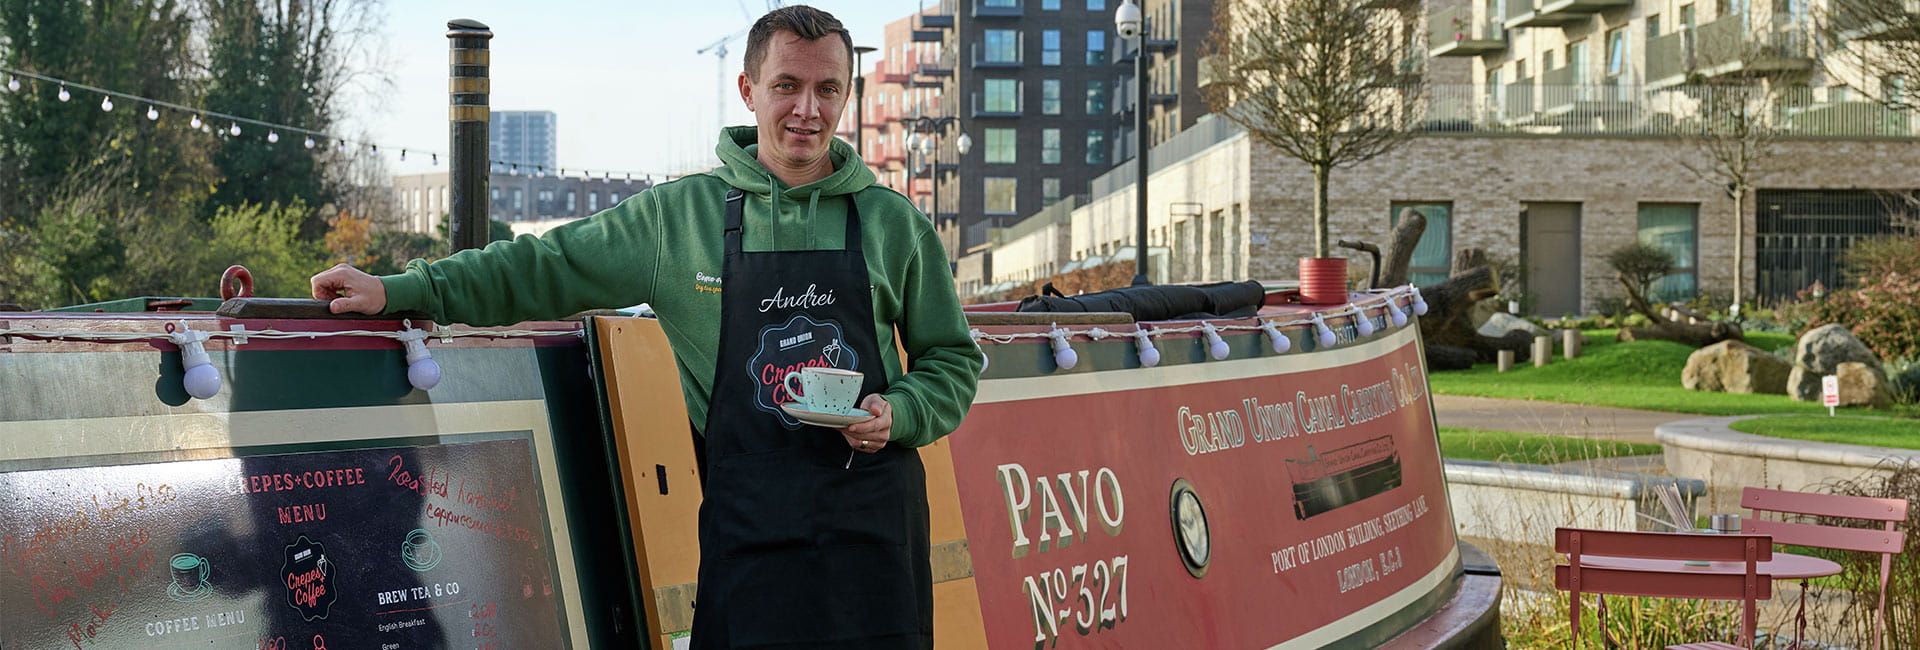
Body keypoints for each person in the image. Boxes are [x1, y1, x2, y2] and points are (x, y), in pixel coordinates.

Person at [310, 6, 981, 648]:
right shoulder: (677, 219)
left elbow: (953, 359)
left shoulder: (895, 224)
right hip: (751, 539)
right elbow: (541, 267)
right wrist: (403, 288)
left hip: (874, 540)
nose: (807, 110)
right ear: (748, 90)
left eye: (827, 89)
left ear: (847, 95)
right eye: (787, 86)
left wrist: (899, 411)